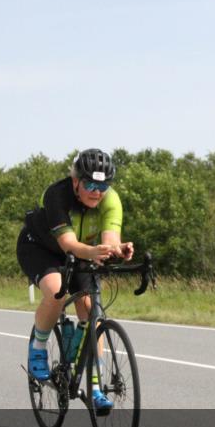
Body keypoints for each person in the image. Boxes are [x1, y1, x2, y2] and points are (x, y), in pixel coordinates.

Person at [16, 149, 133, 413]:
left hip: (81, 252)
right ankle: (38, 348)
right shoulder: (56, 195)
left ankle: (94, 388)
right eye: (90, 184)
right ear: (75, 181)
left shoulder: (110, 199)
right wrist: (93, 252)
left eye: (103, 185)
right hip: (40, 248)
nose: (97, 192)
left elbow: (110, 240)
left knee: (94, 313)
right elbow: (68, 244)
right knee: (57, 292)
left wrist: (119, 250)